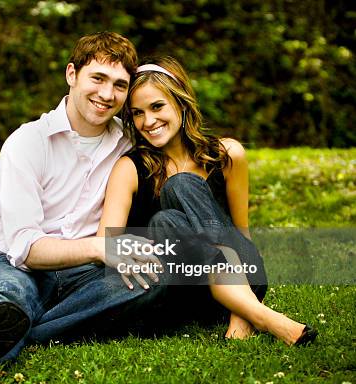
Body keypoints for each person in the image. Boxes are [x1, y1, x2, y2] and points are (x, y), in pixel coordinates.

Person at [0, 32, 167, 380]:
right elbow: (26, 249)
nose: (107, 94)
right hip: (17, 265)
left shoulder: (129, 142)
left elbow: (180, 144)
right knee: (8, 293)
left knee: (150, 279)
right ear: (71, 74)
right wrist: (99, 247)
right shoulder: (27, 143)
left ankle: (27, 330)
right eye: (98, 78)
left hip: (87, 273)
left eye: (120, 85)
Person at [97, 56, 318, 345]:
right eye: (137, 113)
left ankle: (242, 308)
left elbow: (240, 232)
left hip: (240, 276)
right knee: (166, 221)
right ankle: (258, 315)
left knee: (181, 188)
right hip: (177, 292)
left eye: (157, 106)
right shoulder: (130, 168)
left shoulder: (227, 155)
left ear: (181, 102)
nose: (148, 122)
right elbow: (106, 240)